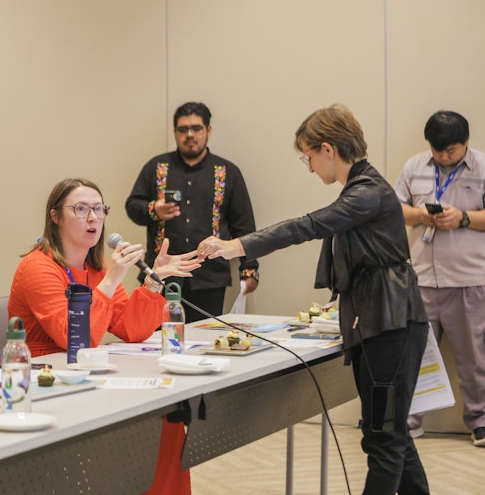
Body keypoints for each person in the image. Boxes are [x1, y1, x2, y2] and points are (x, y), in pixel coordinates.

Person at [197, 104, 430, 494]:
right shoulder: (361, 188)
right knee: (391, 437)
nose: (308, 167)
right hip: (382, 322)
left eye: (307, 156)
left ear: (327, 148)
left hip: (391, 326)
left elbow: (307, 226)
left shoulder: (367, 191)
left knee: (383, 440)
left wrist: (237, 245)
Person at [8, 177, 201, 495]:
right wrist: (112, 279)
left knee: (165, 422)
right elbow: (76, 341)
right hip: (47, 382)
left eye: (98, 209)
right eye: (81, 209)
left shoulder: (95, 267)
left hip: (87, 377)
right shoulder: (38, 267)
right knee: (144, 425)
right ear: (55, 216)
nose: (93, 217)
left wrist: (154, 280)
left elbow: (131, 329)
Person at [393, 110, 485, 447]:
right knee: (414, 355)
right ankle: (409, 422)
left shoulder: (482, 166)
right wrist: (420, 215)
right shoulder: (414, 167)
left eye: (451, 151)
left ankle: (480, 420)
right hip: (421, 279)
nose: (444, 157)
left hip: (469, 278)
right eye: (438, 151)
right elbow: (393, 208)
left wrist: (462, 218)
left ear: (466, 143)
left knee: (475, 358)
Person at [125, 102, 259, 322]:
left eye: (196, 128)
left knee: (203, 343)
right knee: (159, 342)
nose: (190, 134)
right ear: (175, 132)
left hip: (210, 276)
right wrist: (154, 210)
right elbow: (132, 207)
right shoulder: (157, 167)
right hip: (161, 275)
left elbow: (244, 226)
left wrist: (249, 270)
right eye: (183, 129)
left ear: (208, 130)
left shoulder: (227, 172)